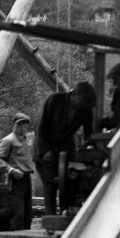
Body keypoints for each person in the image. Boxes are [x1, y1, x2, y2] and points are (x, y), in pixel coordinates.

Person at [34, 81, 96, 216]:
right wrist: (45, 151)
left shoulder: (85, 109)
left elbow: (88, 134)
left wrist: (89, 150)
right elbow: (40, 126)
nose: (84, 108)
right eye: (82, 104)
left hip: (66, 150)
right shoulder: (54, 101)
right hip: (44, 149)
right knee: (50, 185)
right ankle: (50, 218)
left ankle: (66, 214)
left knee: (71, 179)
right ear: (74, 95)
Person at [0, 112, 35, 230]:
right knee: (17, 214)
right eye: (20, 124)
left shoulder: (27, 140)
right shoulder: (8, 140)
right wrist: (11, 170)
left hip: (26, 179)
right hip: (14, 180)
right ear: (14, 125)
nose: (23, 127)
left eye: (25, 125)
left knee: (28, 213)